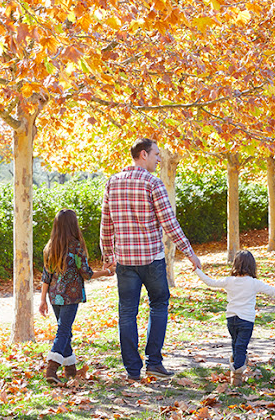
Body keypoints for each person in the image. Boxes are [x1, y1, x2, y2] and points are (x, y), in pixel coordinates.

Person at [100, 138, 202, 381]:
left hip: (125, 261)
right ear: (143, 155)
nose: (159, 158)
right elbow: (169, 223)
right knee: (158, 305)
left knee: (127, 313)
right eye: (156, 154)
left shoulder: (112, 183)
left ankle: (133, 370)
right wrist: (189, 252)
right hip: (152, 260)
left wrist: (108, 257)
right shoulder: (153, 183)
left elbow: (106, 224)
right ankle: (154, 363)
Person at [195, 250, 275, 386]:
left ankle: (236, 367)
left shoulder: (229, 281)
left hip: (231, 319)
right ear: (252, 266)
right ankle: (237, 374)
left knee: (236, 345)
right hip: (246, 320)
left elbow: (210, 282)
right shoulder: (253, 283)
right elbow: (274, 292)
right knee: (240, 347)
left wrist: (197, 271)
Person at [39, 209, 113, 385]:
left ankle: (70, 369)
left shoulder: (50, 246)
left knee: (65, 331)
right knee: (63, 331)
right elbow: (86, 273)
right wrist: (107, 272)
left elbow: (46, 276)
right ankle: (51, 368)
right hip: (70, 296)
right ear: (73, 225)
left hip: (54, 296)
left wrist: (42, 299)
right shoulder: (76, 246)